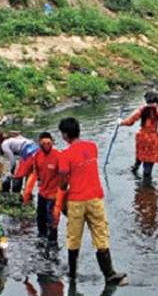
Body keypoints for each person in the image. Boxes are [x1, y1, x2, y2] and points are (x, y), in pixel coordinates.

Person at [54, 117, 126, 284]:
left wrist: (59, 201)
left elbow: (64, 182)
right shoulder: (92, 147)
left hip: (76, 200)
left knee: (73, 237)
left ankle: (72, 274)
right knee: (100, 234)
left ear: (65, 135)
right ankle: (109, 274)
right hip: (95, 198)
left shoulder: (65, 155)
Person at [18, 131, 61, 247]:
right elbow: (35, 174)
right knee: (40, 218)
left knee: (51, 220)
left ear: (52, 142)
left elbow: (65, 177)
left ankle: (53, 243)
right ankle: (41, 240)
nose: (46, 145)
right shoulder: (37, 155)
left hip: (54, 195)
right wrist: (27, 192)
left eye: (48, 143)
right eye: (43, 143)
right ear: (39, 144)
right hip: (42, 193)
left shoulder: (58, 156)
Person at [120, 92, 158, 178]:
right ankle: (146, 187)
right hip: (152, 140)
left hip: (142, 138)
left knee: (140, 156)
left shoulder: (141, 110)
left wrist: (120, 122)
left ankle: (134, 170)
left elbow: (130, 122)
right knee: (148, 166)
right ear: (157, 101)